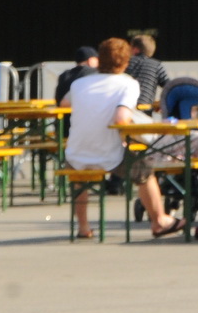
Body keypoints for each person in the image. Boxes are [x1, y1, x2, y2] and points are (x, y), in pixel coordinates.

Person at [62, 37, 184, 239]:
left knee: (79, 179)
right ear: (126, 62)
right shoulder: (128, 84)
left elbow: (65, 104)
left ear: (99, 59)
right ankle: (160, 221)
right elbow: (122, 118)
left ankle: (83, 227)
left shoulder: (78, 84)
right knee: (144, 172)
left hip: (75, 153)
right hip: (108, 154)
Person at [126, 35, 169, 109]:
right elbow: (169, 86)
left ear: (136, 49)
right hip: (145, 111)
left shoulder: (125, 63)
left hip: (127, 109)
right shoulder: (156, 65)